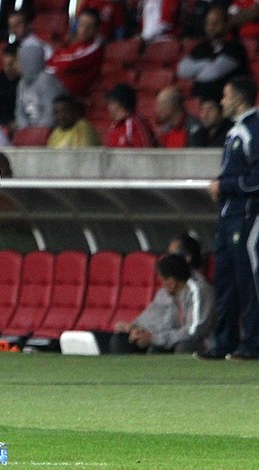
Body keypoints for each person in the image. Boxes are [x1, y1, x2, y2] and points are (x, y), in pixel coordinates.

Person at [197, 75, 259, 361]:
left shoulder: (254, 130)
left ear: (239, 98)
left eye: (225, 96)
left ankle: (254, 342)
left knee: (248, 279)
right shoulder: (237, 131)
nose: (222, 101)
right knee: (225, 280)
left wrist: (226, 186)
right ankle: (225, 342)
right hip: (229, 215)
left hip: (248, 216)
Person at [110, 254, 215, 354]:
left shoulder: (199, 291)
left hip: (201, 342)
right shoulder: (165, 293)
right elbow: (154, 315)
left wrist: (155, 338)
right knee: (121, 341)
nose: (162, 285)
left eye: (162, 280)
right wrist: (135, 329)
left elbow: (195, 331)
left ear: (171, 281)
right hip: (171, 338)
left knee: (180, 347)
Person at [177, 4, 248, 102]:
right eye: (208, 23)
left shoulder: (235, 48)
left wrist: (195, 70)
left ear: (227, 25)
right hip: (198, 101)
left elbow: (211, 73)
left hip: (223, 102)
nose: (210, 27)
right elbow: (182, 70)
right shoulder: (202, 46)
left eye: (215, 23)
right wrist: (207, 63)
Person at [45, 8, 104, 97]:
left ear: (96, 29)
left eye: (89, 27)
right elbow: (53, 58)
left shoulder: (94, 48)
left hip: (69, 93)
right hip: (54, 83)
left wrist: (48, 70)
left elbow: (68, 65)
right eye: (81, 25)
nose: (83, 30)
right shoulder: (74, 44)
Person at [15, 43, 67, 129]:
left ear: (28, 60)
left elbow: (51, 113)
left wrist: (36, 132)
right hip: (29, 132)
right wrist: (24, 128)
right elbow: (19, 112)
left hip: (46, 133)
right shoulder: (21, 84)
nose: (16, 64)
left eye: (19, 60)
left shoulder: (46, 80)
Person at [104, 83, 157, 147]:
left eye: (111, 103)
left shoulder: (136, 124)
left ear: (121, 104)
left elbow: (146, 153)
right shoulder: (114, 126)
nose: (108, 107)